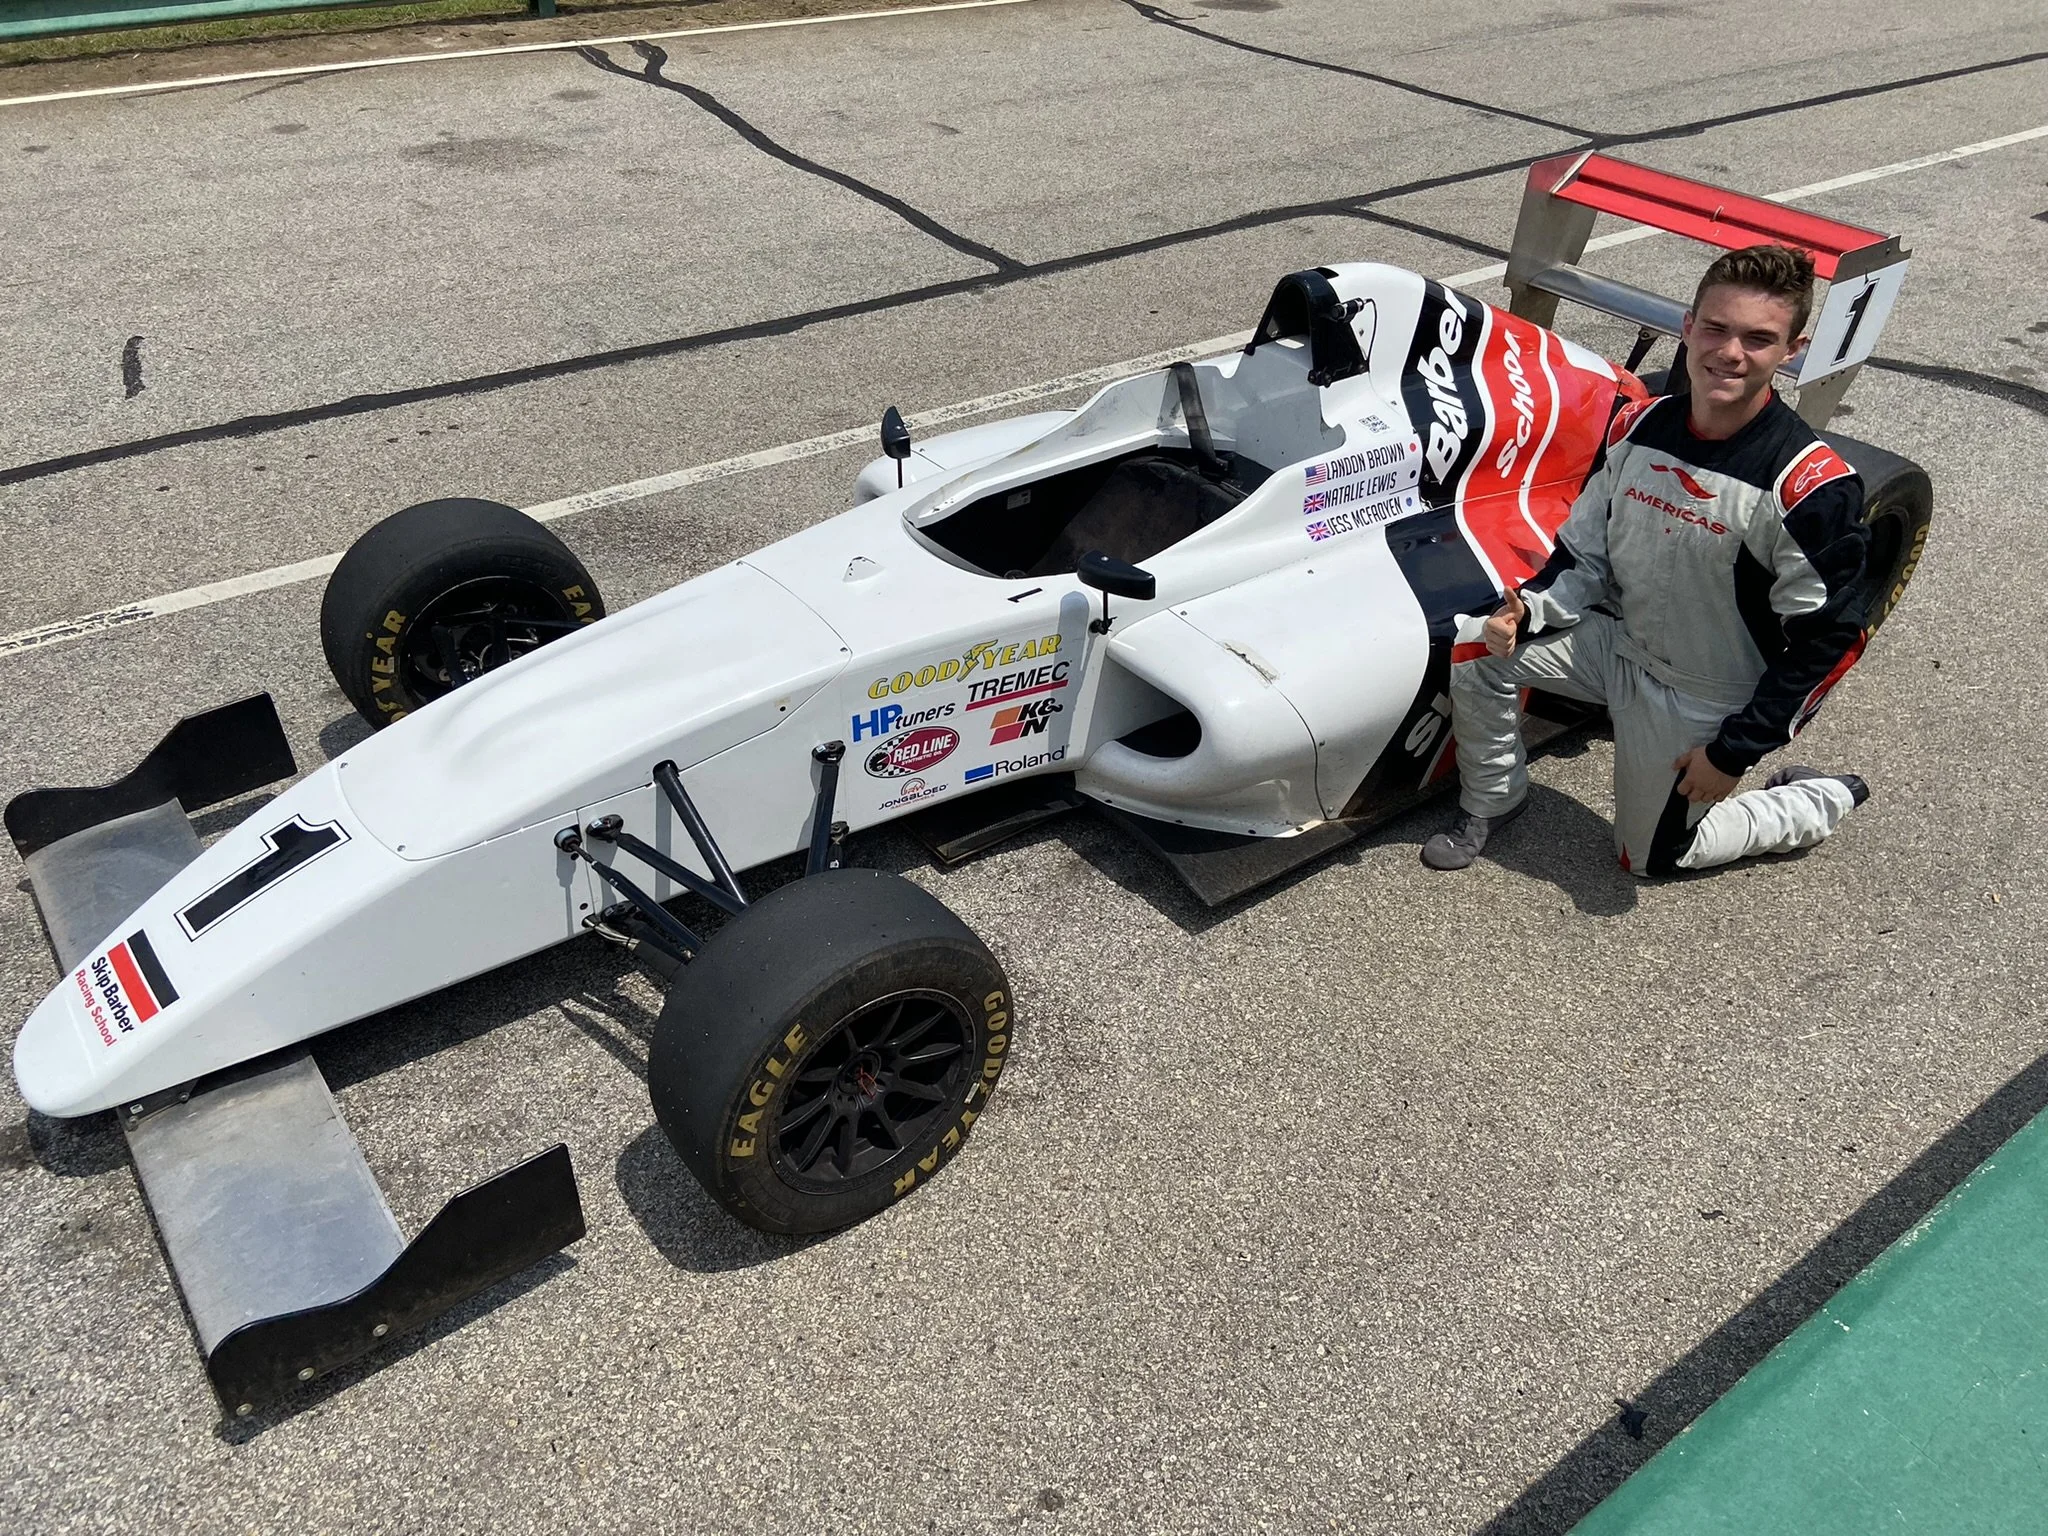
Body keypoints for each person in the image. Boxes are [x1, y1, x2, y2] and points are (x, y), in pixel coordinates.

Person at [1422, 244, 1872, 876]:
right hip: (1620, 647)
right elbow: (1583, 550)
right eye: (1716, 328)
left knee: (1648, 859)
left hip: (1702, 696)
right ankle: (1495, 799)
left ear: (1791, 350)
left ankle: (1818, 797)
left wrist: (1732, 753)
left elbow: (1832, 644)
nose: (1730, 352)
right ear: (1688, 327)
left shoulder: (1811, 486)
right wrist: (1526, 613)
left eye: (1758, 338)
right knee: (1477, 646)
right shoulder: (1640, 425)